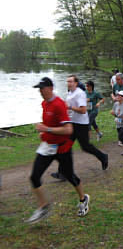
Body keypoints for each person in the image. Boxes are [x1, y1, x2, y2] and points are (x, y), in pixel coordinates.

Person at [27, 77, 89, 224]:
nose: (40, 92)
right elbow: (49, 122)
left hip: (62, 148)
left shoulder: (59, 104)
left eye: (42, 89)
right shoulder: (44, 103)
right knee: (34, 177)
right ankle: (43, 207)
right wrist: (44, 131)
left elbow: (68, 129)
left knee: (69, 176)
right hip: (47, 146)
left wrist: (47, 129)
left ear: (50, 88)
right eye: (39, 89)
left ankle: (83, 199)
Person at [51, 75, 108, 181]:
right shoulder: (69, 94)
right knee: (65, 147)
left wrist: (69, 107)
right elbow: (68, 110)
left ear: (76, 83)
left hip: (81, 125)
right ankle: (63, 173)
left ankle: (103, 157)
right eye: (67, 81)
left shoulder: (80, 94)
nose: (68, 83)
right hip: (71, 124)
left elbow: (83, 110)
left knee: (85, 147)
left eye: (71, 81)